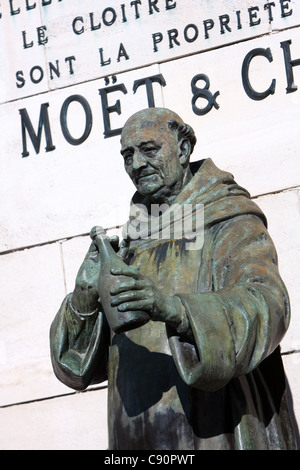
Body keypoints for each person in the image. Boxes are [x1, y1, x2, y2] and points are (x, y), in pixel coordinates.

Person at [50, 107, 298, 450]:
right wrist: (84, 295)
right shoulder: (131, 240)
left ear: (183, 149)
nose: (136, 164)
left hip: (210, 430)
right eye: (127, 155)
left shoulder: (227, 219)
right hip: (134, 436)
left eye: (148, 149)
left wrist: (174, 309)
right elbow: (74, 370)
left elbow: (268, 305)